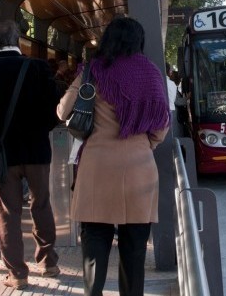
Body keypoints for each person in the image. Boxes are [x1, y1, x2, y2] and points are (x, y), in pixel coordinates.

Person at [57, 17, 170, 296]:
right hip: (139, 168)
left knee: (94, 247)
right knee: (134, 251)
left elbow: (62, 112)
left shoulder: (93, 71)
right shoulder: (151, 73)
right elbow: (160, 126)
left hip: (97, 168)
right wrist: (143, 145)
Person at [0, 20, 65, 290]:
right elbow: (53, 110)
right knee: (41, 204)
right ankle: (48, 262)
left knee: (7, 211)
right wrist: (38, 130)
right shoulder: (38, 68)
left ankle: (17, 273)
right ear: (18, 39)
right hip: (37, 150)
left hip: (2, 155)